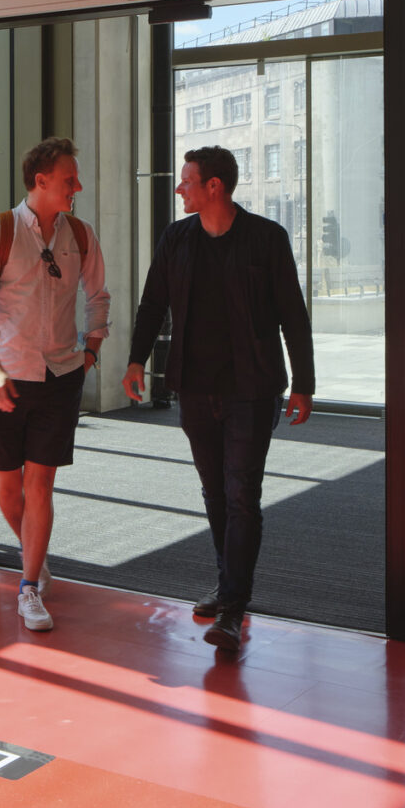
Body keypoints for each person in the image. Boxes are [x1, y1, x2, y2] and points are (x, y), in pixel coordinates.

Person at [121, 145, 313, 659]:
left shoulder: (267, 239)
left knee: (241, 494)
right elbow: (153, 301)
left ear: (214, 187)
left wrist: (304, 383)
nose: (179, 188)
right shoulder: (177, 238)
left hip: (252, 390)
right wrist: (136, 360)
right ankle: (230, 584)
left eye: (187, 181)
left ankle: (233, 605)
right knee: (214, 492)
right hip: (194, 387)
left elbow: (293, 313)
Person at [0, 135, 109, 635]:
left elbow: (99, 297)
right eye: (70, 179)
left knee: (40, 483)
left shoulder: (82, 235)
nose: (78, 186)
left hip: (60, 377)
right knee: (7, 486)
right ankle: (35, 556)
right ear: (41, 180)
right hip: (4, 375)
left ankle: (28, 587)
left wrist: (90, 351)